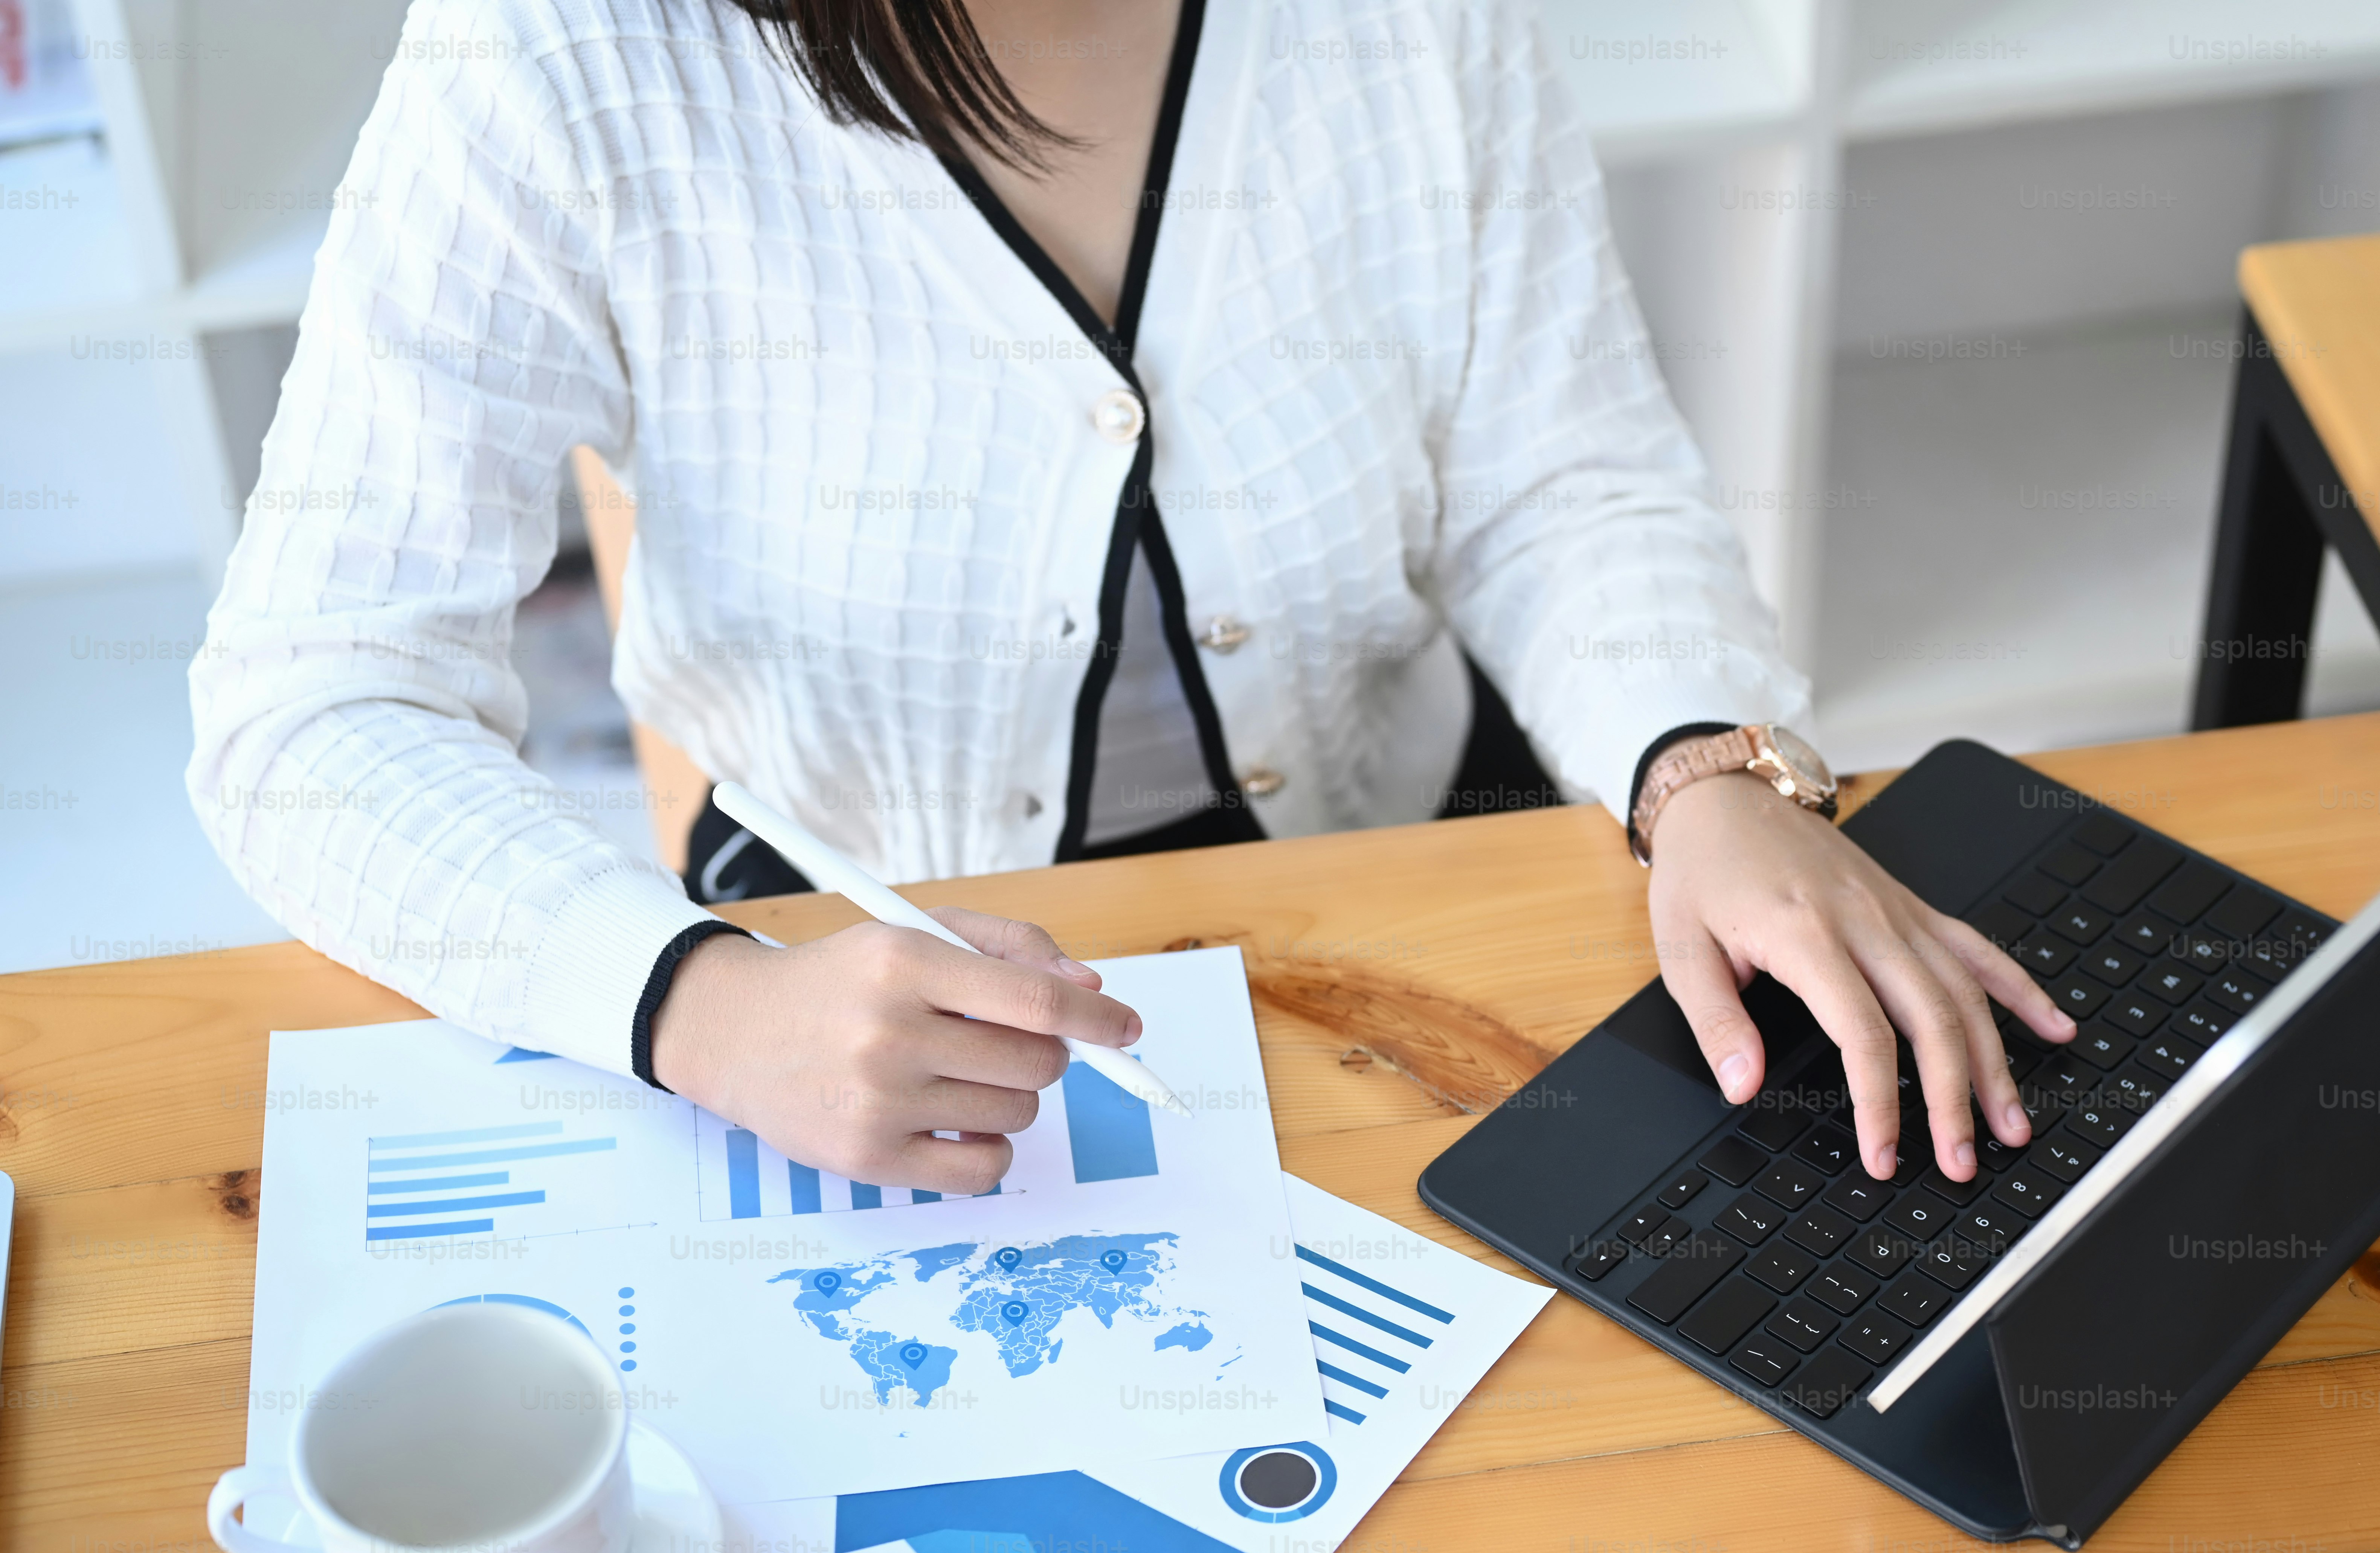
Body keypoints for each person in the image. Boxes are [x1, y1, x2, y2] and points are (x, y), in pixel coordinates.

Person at [188, 0, 2070, 1198]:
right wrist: (688, 1002)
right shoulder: (554, 61)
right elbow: (310, 712)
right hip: (865, 963)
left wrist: (1708, 769)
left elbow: (1554, 467)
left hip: (1427, 869)